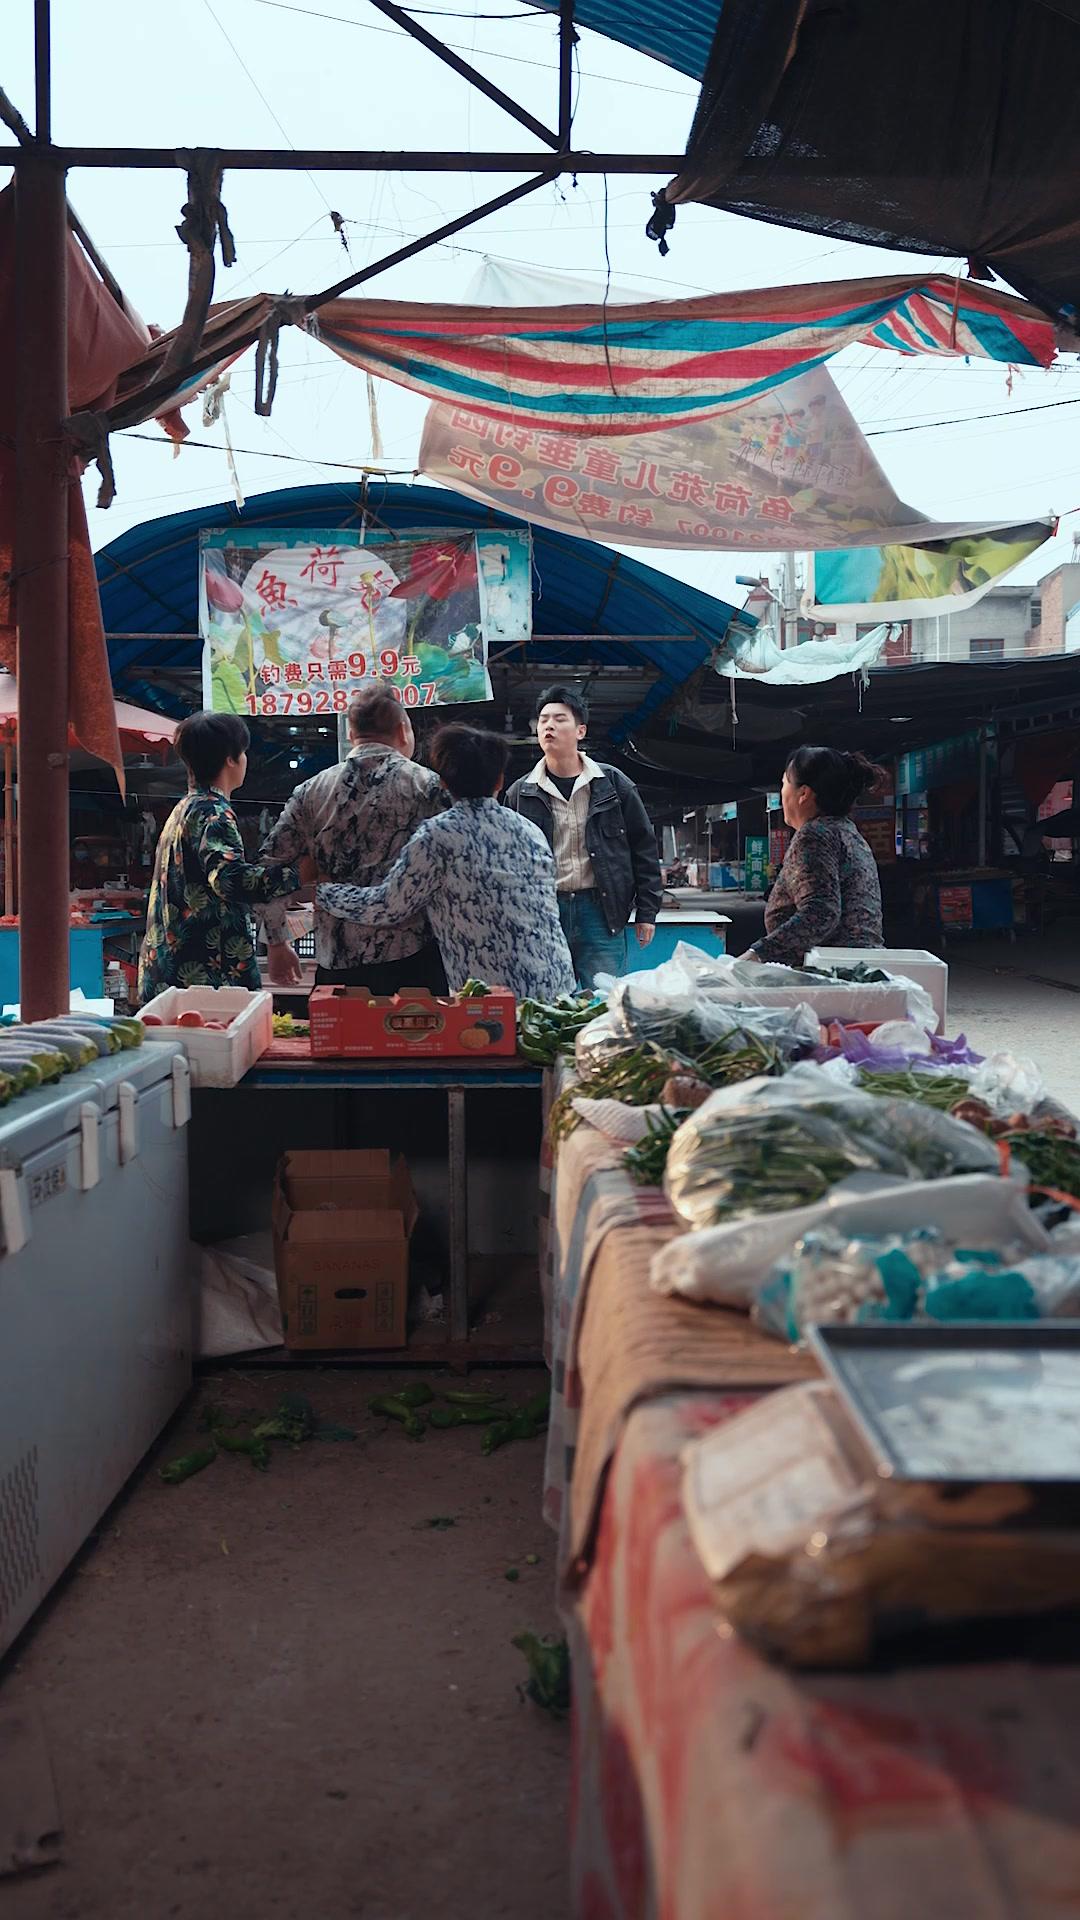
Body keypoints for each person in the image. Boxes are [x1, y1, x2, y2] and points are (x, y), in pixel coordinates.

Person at [316, 724, 576, 1004]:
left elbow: (387, 907)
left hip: (490, 1000)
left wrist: (325, 892)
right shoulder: (529, 831)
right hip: (556, 987)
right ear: (499, 781)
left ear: (443, 782)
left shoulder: (437, 837)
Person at [257, 686, 450, 993]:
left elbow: (268, 870)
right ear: (403, 730)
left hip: (337, 961)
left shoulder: (311, 791)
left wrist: (276, 943)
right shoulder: (426, 786)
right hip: (413, 959)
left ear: (350, 733)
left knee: (343, 1041)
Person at [503, 684, 662, 989]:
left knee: (603, 999)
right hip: (544, 912)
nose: (549, 725)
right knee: (547, 1000)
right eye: (543, 719)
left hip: (600, 912)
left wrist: (647, 911)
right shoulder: (520, 793)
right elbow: (509, 861)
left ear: (580, 731)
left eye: (560, 719)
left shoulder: (613, 784)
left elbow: (643, 847)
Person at [138, 712, 303, 1001]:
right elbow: (230, 880)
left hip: (170, 972)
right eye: (244, 752)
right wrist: (300, 873)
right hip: (206, 977)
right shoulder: (213, 812)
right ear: (231, 758)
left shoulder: (184, 809)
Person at [746, 745, 884, 966]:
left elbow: (822, 911)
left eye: (784, 784)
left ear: (803, 793)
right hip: (856, 969)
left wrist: (757, 954)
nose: (782, 793)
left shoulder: (814, 835)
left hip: (830, 975)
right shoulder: (847, 832)